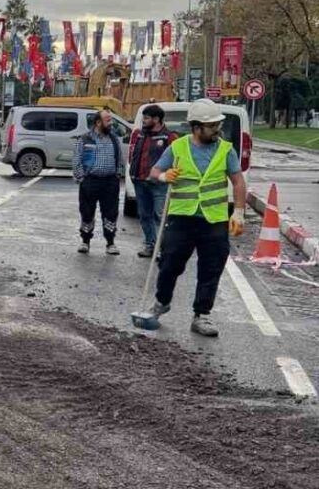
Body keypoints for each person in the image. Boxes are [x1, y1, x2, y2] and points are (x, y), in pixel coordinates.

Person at [144, 99, 246, 337]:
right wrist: (164, 176)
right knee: (169, 264)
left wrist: (239, 213)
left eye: (217, 125)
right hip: (182, 218)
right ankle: (161, 302)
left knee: (211, 268)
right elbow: (154, 172)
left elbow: (238, 181)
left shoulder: (225, 149)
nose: (217, 130)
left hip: (214, 220)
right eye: (211, 126)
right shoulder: (177, 148)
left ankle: (202, 315)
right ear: (197, 127)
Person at [73, 109, 126, 255]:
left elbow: (120, 160)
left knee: (110, 213)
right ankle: (85, 241)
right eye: (108, 120)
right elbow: (77, 160)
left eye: (111, 120)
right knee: (87, 212)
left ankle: (110, 243)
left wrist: (118, 176)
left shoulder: (114, 139)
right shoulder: (85, 139)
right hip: (90, 182)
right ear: (98, 122)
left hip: (110, 183)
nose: (111, 123)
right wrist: (82, 178)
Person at [128, 105, 179, 257]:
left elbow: (177, 160)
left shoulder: (169, 137)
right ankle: (150, 245)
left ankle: (163, 249)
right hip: (140, 182)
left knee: (161, 217)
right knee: (145, 216)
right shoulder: (139, 134)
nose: (143, 121)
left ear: (156, 119)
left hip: (159, 184)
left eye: (147, 118)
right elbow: (133, 154)